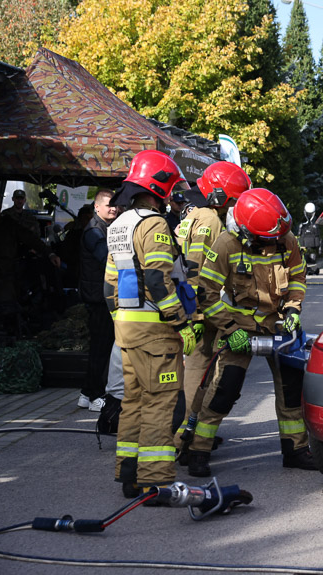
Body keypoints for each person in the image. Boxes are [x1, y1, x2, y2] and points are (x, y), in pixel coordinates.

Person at [190, 187, 312, 477]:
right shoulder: (226, 245)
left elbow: (297, 276)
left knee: (292, 389)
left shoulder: (286, 238)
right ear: (246, 231)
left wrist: (293, 309)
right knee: (224, 389)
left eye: (278, 238)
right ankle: (198, 450)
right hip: (239, 328)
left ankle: (295, 449)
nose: (275, 243)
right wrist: (230, 329)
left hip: (279, 323)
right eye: (268, 239)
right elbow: (206, 294)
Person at [104, 149, 199, 499]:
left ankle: (129, 473)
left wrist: (122, 322)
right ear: (158, 187)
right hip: (156, 332)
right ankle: (155, 480)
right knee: (160, 403)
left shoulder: (118, 226)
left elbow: (108, 288)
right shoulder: (154, 224)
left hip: (127, 331)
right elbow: (159, 281)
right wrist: (181, 323)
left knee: (133, 401)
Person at [173, 161, 252, 451]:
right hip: (201, 308)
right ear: (221, 196)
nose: (233, 206)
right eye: (233, 199)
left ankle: (188, 434)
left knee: (197, 371)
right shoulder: (210, 220)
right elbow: (196, 267)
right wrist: (195, 312)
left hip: (192, 305)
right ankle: (187, 438)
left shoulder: (195, 214)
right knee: (200, 373)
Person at [77, 189, 119, 411]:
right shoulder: (94, 230)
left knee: (100, 347)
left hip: (100, 296)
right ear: (97, 207)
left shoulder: (103, 227)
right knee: (102, 348)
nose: (113, 208)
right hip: (99, 298)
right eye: (109, 205)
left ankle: (86, 394)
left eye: (115, 205)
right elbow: (106, 258)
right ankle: (96, 396)